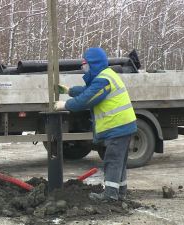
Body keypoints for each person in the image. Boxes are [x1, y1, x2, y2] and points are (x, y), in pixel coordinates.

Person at [54, 47, 137, 203]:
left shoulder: (103, 79)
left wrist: (66, 105)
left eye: (85, 64)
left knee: (112, 160)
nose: (83, 67)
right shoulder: (104, 76)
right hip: (121, 126)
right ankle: (119, 193)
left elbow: (88, 99)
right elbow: (87, 90)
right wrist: (69, 90)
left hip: (118, 126)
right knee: (118, 161)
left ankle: (110, 195)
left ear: (93, 63)